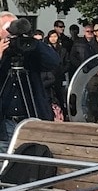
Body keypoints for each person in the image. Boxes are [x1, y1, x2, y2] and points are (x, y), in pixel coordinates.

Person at [0, 14, 60, 151]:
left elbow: (54, 62)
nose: (13, 33)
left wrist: (32, 41)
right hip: (4, 124)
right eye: (8, 28)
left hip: (30, 121)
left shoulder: (29, 52)